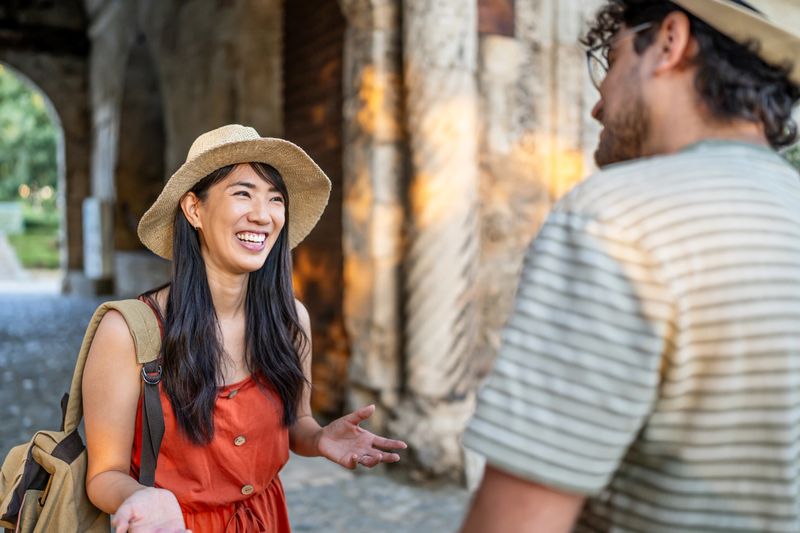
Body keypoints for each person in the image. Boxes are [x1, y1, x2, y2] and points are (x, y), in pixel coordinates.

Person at [461, 1, 800, 531]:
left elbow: (519, 522)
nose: (597, 105)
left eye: (609, 59)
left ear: (669, 41)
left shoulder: (614, 218)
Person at [81, 124, 407, 532]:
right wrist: (140, 497)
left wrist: (319, 438)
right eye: (242, 193)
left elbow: (296, 426)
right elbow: (102, 475)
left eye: (275, 199)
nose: (263, 214)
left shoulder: (290, 321)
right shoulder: (129, 332)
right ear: (193, 209)